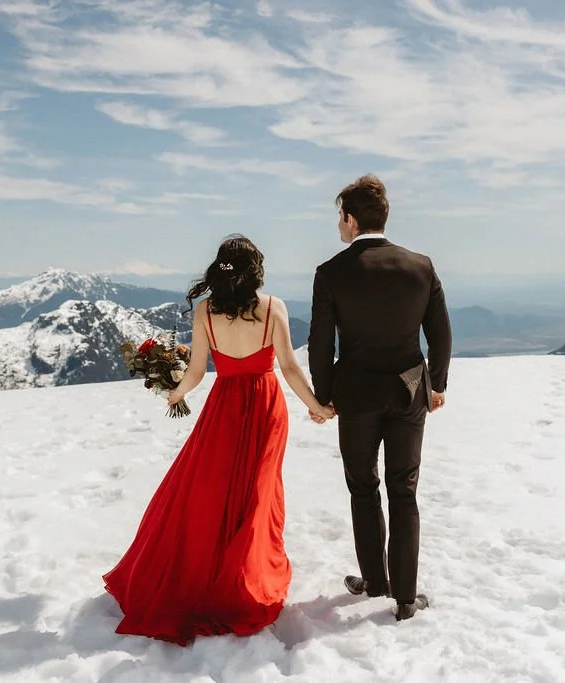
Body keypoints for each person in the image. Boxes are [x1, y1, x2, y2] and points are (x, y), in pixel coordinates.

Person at [103, 234, 334, 645]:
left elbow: (194, 372)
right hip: (265, 407)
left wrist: (175, 393)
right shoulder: (273, 308)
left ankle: (217, 569)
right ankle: (246, 577)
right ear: (255, 271)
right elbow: (290, 369)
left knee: (213, 490)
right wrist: (315, 405)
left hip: (224, 407)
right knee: (258, 493)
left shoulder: (206, 311)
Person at [307, 174, 453, 622]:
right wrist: (438, 385)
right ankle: (406, 599)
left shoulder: (331, 272)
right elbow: (441, 334)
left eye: (339, 217)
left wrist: (323, 396)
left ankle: (375, 581)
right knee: (403, 491)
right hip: (410, 390)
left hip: (355, 394)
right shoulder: (421, 266)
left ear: (350, 219)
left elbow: (319, 343)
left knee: (363, 488)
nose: (339, 225)